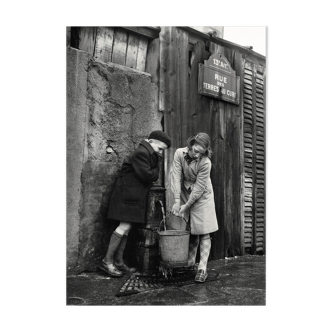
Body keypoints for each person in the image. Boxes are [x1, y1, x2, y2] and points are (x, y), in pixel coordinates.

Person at [99, 130, 171, 277]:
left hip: (132, 195)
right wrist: (156, 167)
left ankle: (118, 262)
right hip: (127, 195)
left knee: (127, 227)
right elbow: (148, 176)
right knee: (124, 226)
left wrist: (155, 165)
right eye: (160, 149)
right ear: (151, 142)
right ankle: (107, 261)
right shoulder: (142, 153)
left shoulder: (146, 153)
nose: (160, 153)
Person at [171, 132, 218, 283]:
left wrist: (186, 206)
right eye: (196, 151)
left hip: (202, 195)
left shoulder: (206, 163)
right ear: (190, 145)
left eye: (201, 153)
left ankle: (202, 269)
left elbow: (198, 189)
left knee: (203, 230)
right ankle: (190, 264)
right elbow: (176, 176)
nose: (197, 156)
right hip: (185, 192)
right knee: (191, 229)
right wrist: (177, 200)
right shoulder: (179, 153)